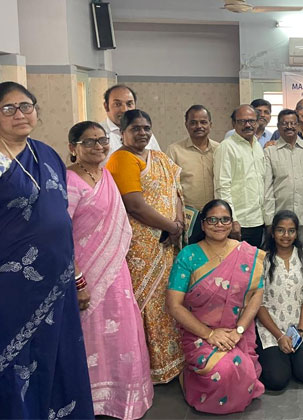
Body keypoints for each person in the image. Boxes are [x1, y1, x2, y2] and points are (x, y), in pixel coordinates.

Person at [0, 82, 94, 418]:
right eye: (8, 108)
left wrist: (77, 277)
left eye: (26, 106)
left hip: (58, 278)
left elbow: (60, 216)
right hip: (12, 285)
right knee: (18, 358)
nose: (19, 114)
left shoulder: (47, 154)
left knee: (59, 351)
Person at [66, 121, 153, 419]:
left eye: (102, 140)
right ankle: (92, 400)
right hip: (84, 275)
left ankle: (122, 399)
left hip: (115, 271)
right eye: (89, 142)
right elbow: (61, 234)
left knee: (122, 333)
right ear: (73, 147)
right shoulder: (69, 181)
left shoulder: (105, 176)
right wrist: (78, 280)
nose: (98, 146)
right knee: (91, 335)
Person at [106, 109, 185, 384]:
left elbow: (176, 192)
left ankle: (172, 361)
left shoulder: (159, 158)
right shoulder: (121, 159)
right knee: (146, 303)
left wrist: (177, 223)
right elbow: (135, 205)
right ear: (122, 133)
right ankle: (150, 368)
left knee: (168, 298)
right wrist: (171, 226)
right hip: (141, 247)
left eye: (146, 128)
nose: (142, 133)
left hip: (167, 243)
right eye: (135, 128)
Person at [166, 199, 265, 414]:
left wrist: (239, 330)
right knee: (224, 371)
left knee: (244, 370)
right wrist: (210, 334)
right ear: (202, 224)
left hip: (236, 332)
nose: (219, 225)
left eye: (224, 220)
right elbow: (174, 305)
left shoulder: (247, 254)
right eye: (212, 220)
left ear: (232, 223)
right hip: (199, 333)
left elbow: (257, 295)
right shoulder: (189, 255)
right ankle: (189, 380)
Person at [256, 210, 303, 390]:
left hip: (299, 326)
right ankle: (282, 360)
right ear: (272, 232)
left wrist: (300, 331)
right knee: (276, 381)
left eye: (291, 231)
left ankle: (292, 359)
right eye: (280, 230)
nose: (286, 235)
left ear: (296, 233)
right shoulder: (262, 259)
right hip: (271, 328)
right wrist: (279, 336)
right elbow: (258, 303)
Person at [264, 109, 303, 248]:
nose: (289, 126)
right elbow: (267, 190)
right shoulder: (269, 152)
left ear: (298, 125)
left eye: (293, 123)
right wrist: (269, 221)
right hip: (280, 221)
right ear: (278, 126)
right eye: (284, 123)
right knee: (280, 256)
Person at [214, 104, 265, 247]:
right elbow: (222, 187)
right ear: (233, 123)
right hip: (239, 223)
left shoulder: (257, 146)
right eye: (242, 121)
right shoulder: (226, 147)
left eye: (251, 121)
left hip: (258, 220)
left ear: (257, 122)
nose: (248, 125)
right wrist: (231, 220)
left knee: (254, 260)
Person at [167, 105, 220, 242]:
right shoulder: (174, 150)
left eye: (203, 122)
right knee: (190, 253)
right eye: (193, 122)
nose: (199, 126)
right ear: (186, 125)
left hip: (216, 217)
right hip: (188, 217)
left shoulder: (220, 149)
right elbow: (169, 187)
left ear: (210, 125)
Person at [101, 84, 160, 159]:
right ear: (106, 106)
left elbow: (158, 161)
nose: (124, 110)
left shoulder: (144, 133)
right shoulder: (98, 134)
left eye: (129, 104)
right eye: (118, 104)